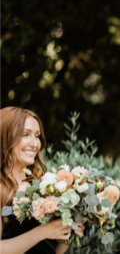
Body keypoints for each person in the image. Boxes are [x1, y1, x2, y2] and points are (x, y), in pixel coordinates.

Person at [0, 107, 82, 254]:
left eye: (37, 135)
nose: (34, 143)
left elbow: (54, 251)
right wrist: (43, 232)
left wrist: (67, 231)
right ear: (5, 138)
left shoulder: (44, 185)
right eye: (25, 134)